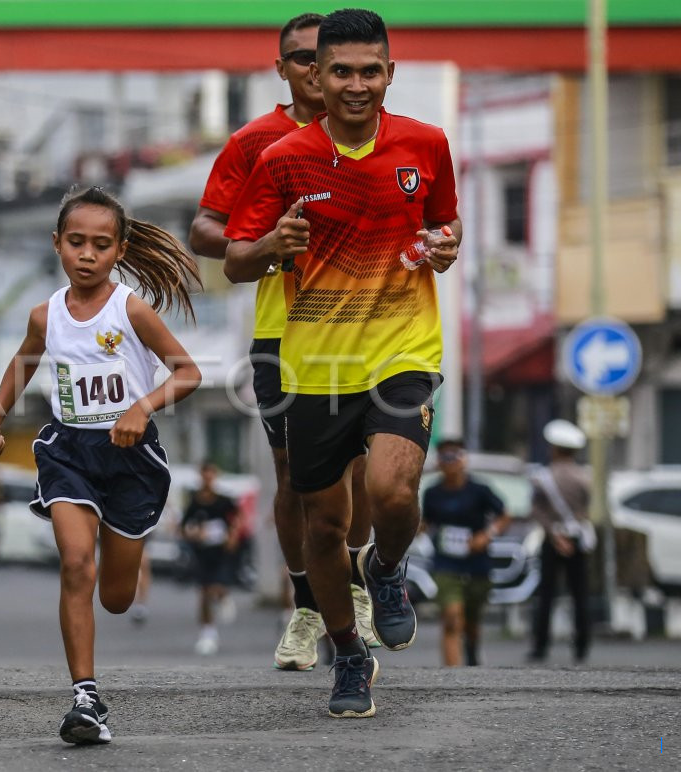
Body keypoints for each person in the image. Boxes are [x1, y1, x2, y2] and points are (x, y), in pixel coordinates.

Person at [225, 8, 462, 718]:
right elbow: (235, 260)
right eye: (341, 72)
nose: (356, 85)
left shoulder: (426, 143)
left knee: (391, 491)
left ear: (389, 73)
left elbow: (443, 223)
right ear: (317, 78)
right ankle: (350, 654)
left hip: (402, 348)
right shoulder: (281, 158)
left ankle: (385, 567)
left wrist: (445, 246)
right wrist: (273, 246)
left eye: (370, 71)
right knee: (324, 527)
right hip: (316, 368)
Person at [0, 186, 202, 745]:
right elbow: (22, 363)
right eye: (76, 242)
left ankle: (121, 560)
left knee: (116, 598)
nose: (87, 254)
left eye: (101, 245)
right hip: (68, 451)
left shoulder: (131, 309)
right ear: (57, 243)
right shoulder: (45, 315)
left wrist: (140, 408)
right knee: (77, 564)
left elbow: (188, 372)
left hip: (130, 457)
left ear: (120, 251)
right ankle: (85, 696)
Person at [188, 11, 377, 672]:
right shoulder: (256, 143)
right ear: (284, 69)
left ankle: (358, 584)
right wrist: (266, 244)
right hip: (283, 330)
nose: (316, 71)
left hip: (367, 326)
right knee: (294, 475)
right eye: (302, 59)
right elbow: (204, 229)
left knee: (364, 470)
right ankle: (306, 603)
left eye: (326, 60)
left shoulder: (380, 135)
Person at [421, 439, 511, 667]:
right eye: (444, 457)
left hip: (477, 564)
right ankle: (453, 674)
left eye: (454, 455)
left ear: (463, 459)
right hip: (445, 564)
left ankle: (471, 648)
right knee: (452, 618)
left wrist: (486, 535)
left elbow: (504, 516)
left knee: (471, 621)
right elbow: (425, 523)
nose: (449, 462)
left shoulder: (479, 490)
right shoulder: (432, 493)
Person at [528, 419, 593, 664]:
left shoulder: (543, 477)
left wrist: (555, 535)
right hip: (577, 539)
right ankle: (582, 646)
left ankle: (540, 646)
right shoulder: (583, 477)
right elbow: (586, 507)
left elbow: (536, 509)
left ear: (554, 448)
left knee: (546, 594)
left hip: (551, 539)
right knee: (580, 594)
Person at [181, 461, 240, 656]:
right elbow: (184, 526)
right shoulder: (194, 501)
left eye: (210, 474)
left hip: (221, 551)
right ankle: (208, 632)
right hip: (202, 551)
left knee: (217, 587)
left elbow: (237, 517)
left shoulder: (223, 500)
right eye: (204, 474)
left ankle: (224, 596)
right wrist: (194, 534)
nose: (207, 478)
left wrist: (233, 536)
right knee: (204, 591)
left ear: (215, 475)